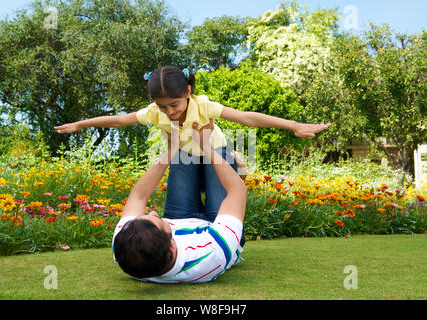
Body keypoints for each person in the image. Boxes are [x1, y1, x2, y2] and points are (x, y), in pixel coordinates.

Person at [54, 65, 330, 223]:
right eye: (163, 107)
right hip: (183, 155)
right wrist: (81, 124)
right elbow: (118, 120)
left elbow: (246, 119)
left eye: (174, 104)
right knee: (178, 214)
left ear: (188, 91)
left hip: (215, 153)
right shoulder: (154, 112)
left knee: (216, 213)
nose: (170, 112)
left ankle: (237, 166)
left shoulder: (203, 106)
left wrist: (294, 125)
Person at [112, 121, 247, 283]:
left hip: (180, 218)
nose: (153, 212)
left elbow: (138, 196)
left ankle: (222, 158)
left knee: (184, 150)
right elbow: (237, 191)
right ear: (172, 246)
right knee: (217, 150)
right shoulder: (213, 253)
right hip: (216, 227)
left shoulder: (125, 247)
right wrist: (206, 146)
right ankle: (234, 163)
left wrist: (171, 149)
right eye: (158, 220)